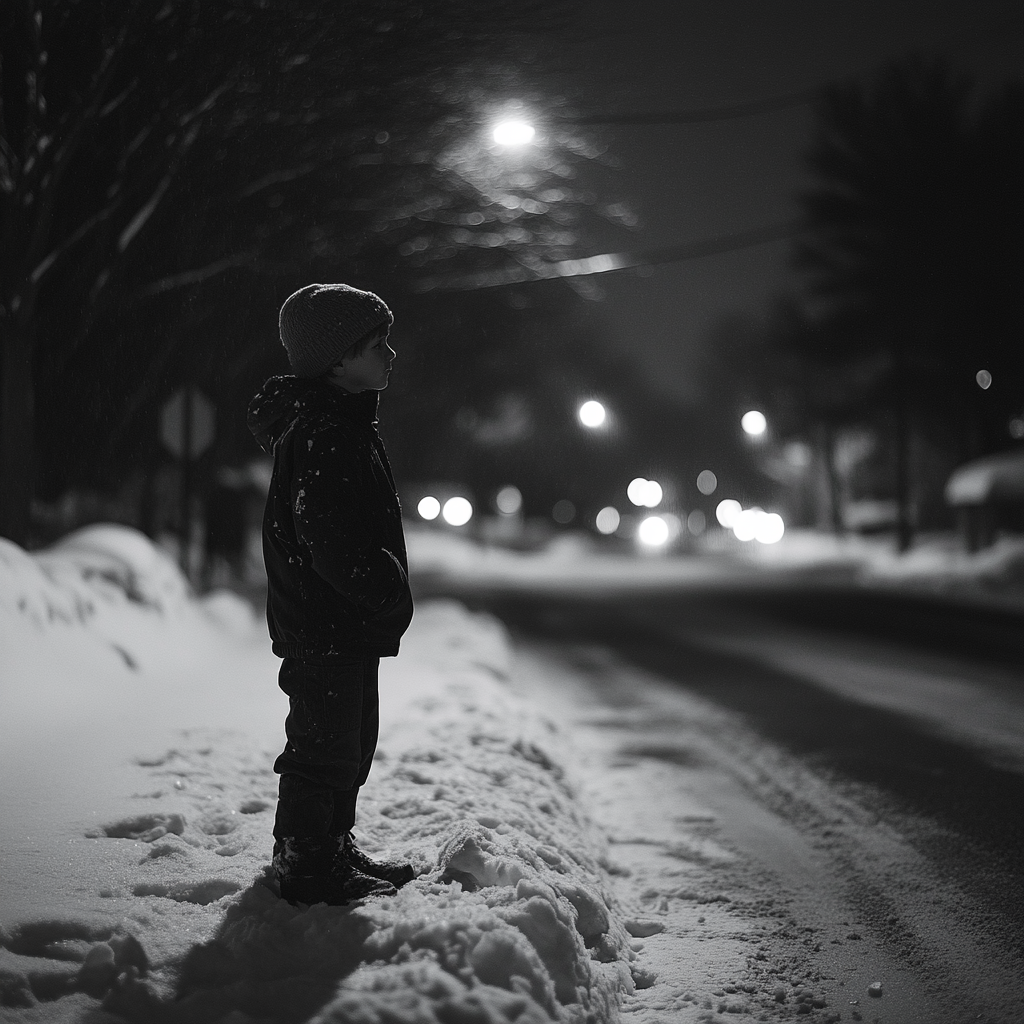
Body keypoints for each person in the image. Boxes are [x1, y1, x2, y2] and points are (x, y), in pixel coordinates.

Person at [247, 282, 415, 906]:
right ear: (338, 360)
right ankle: (307, 864)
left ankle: (331, 844)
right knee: (322, 746)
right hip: (326, 625)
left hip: (338, 626)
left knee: (347, 740)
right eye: (378, 345)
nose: (391, 355)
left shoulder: (341, 422)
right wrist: (383, 590)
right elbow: (331, 540)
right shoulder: (324, 432)